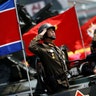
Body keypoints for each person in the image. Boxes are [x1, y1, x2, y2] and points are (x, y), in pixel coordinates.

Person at [29, 23, 69, 94]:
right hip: (55, 84)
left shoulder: (56, 48)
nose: (53, 32)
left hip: (65, 81)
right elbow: (31, 46)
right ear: (44, 34)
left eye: (53, 31)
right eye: (50, 31)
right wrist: (41, 34)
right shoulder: (42, 49)